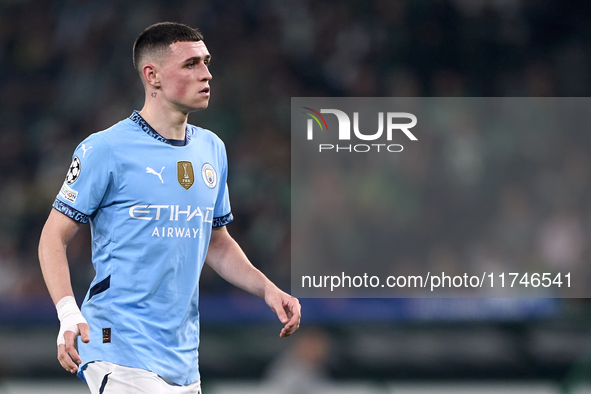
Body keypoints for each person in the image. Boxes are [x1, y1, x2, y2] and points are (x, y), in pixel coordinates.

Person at [38, 22, 301, 394]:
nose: (207, 74)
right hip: (116, 345)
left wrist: (267, 289)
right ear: (153, 76)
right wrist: (67, 314)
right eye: (191, 64)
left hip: (181, 358)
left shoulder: (212, 149)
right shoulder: (105, 149)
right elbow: (52, 236)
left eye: (207, 62)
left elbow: (216, 241)